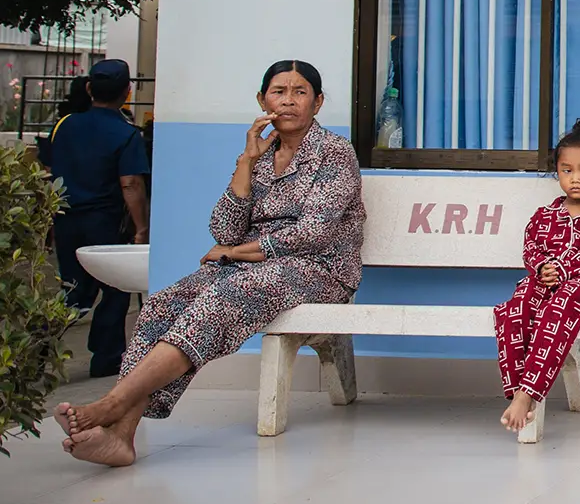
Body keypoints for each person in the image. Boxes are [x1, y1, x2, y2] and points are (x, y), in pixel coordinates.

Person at [54, 60, 363, 467]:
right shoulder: (262, 155)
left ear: (318, 102)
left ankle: (113, 405)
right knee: (165, 302)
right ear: (262, 100)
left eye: (300, 92)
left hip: (320, 270)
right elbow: (224, 228)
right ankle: (122, 435)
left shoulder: (335, 153)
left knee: (224, 295)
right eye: (278, 91)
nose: (288, 101)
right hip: (259, 266)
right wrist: (247, 162)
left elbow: (313, 234)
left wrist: (235, 254)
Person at [495, 119, 580, 434]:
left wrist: (565, 268)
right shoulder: (544, 215)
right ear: (557, 173)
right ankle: (518, 393)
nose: (575, 178)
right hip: (546, 283)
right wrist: (541, 268)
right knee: (515, 307)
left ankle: (526, 396)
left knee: (558, 308)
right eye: (567, 171)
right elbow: (530, 248)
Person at [44, 60, 150, 376]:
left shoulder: (64, 125)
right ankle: (105, 360)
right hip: (104, 221)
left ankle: (34, 348)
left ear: (89, 88)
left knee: (74, 290)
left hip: (66, 219)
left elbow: (49, 174)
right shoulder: (126, 134)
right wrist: (141, 228)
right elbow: (130, 183)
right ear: (127, 92)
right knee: (115, 290)